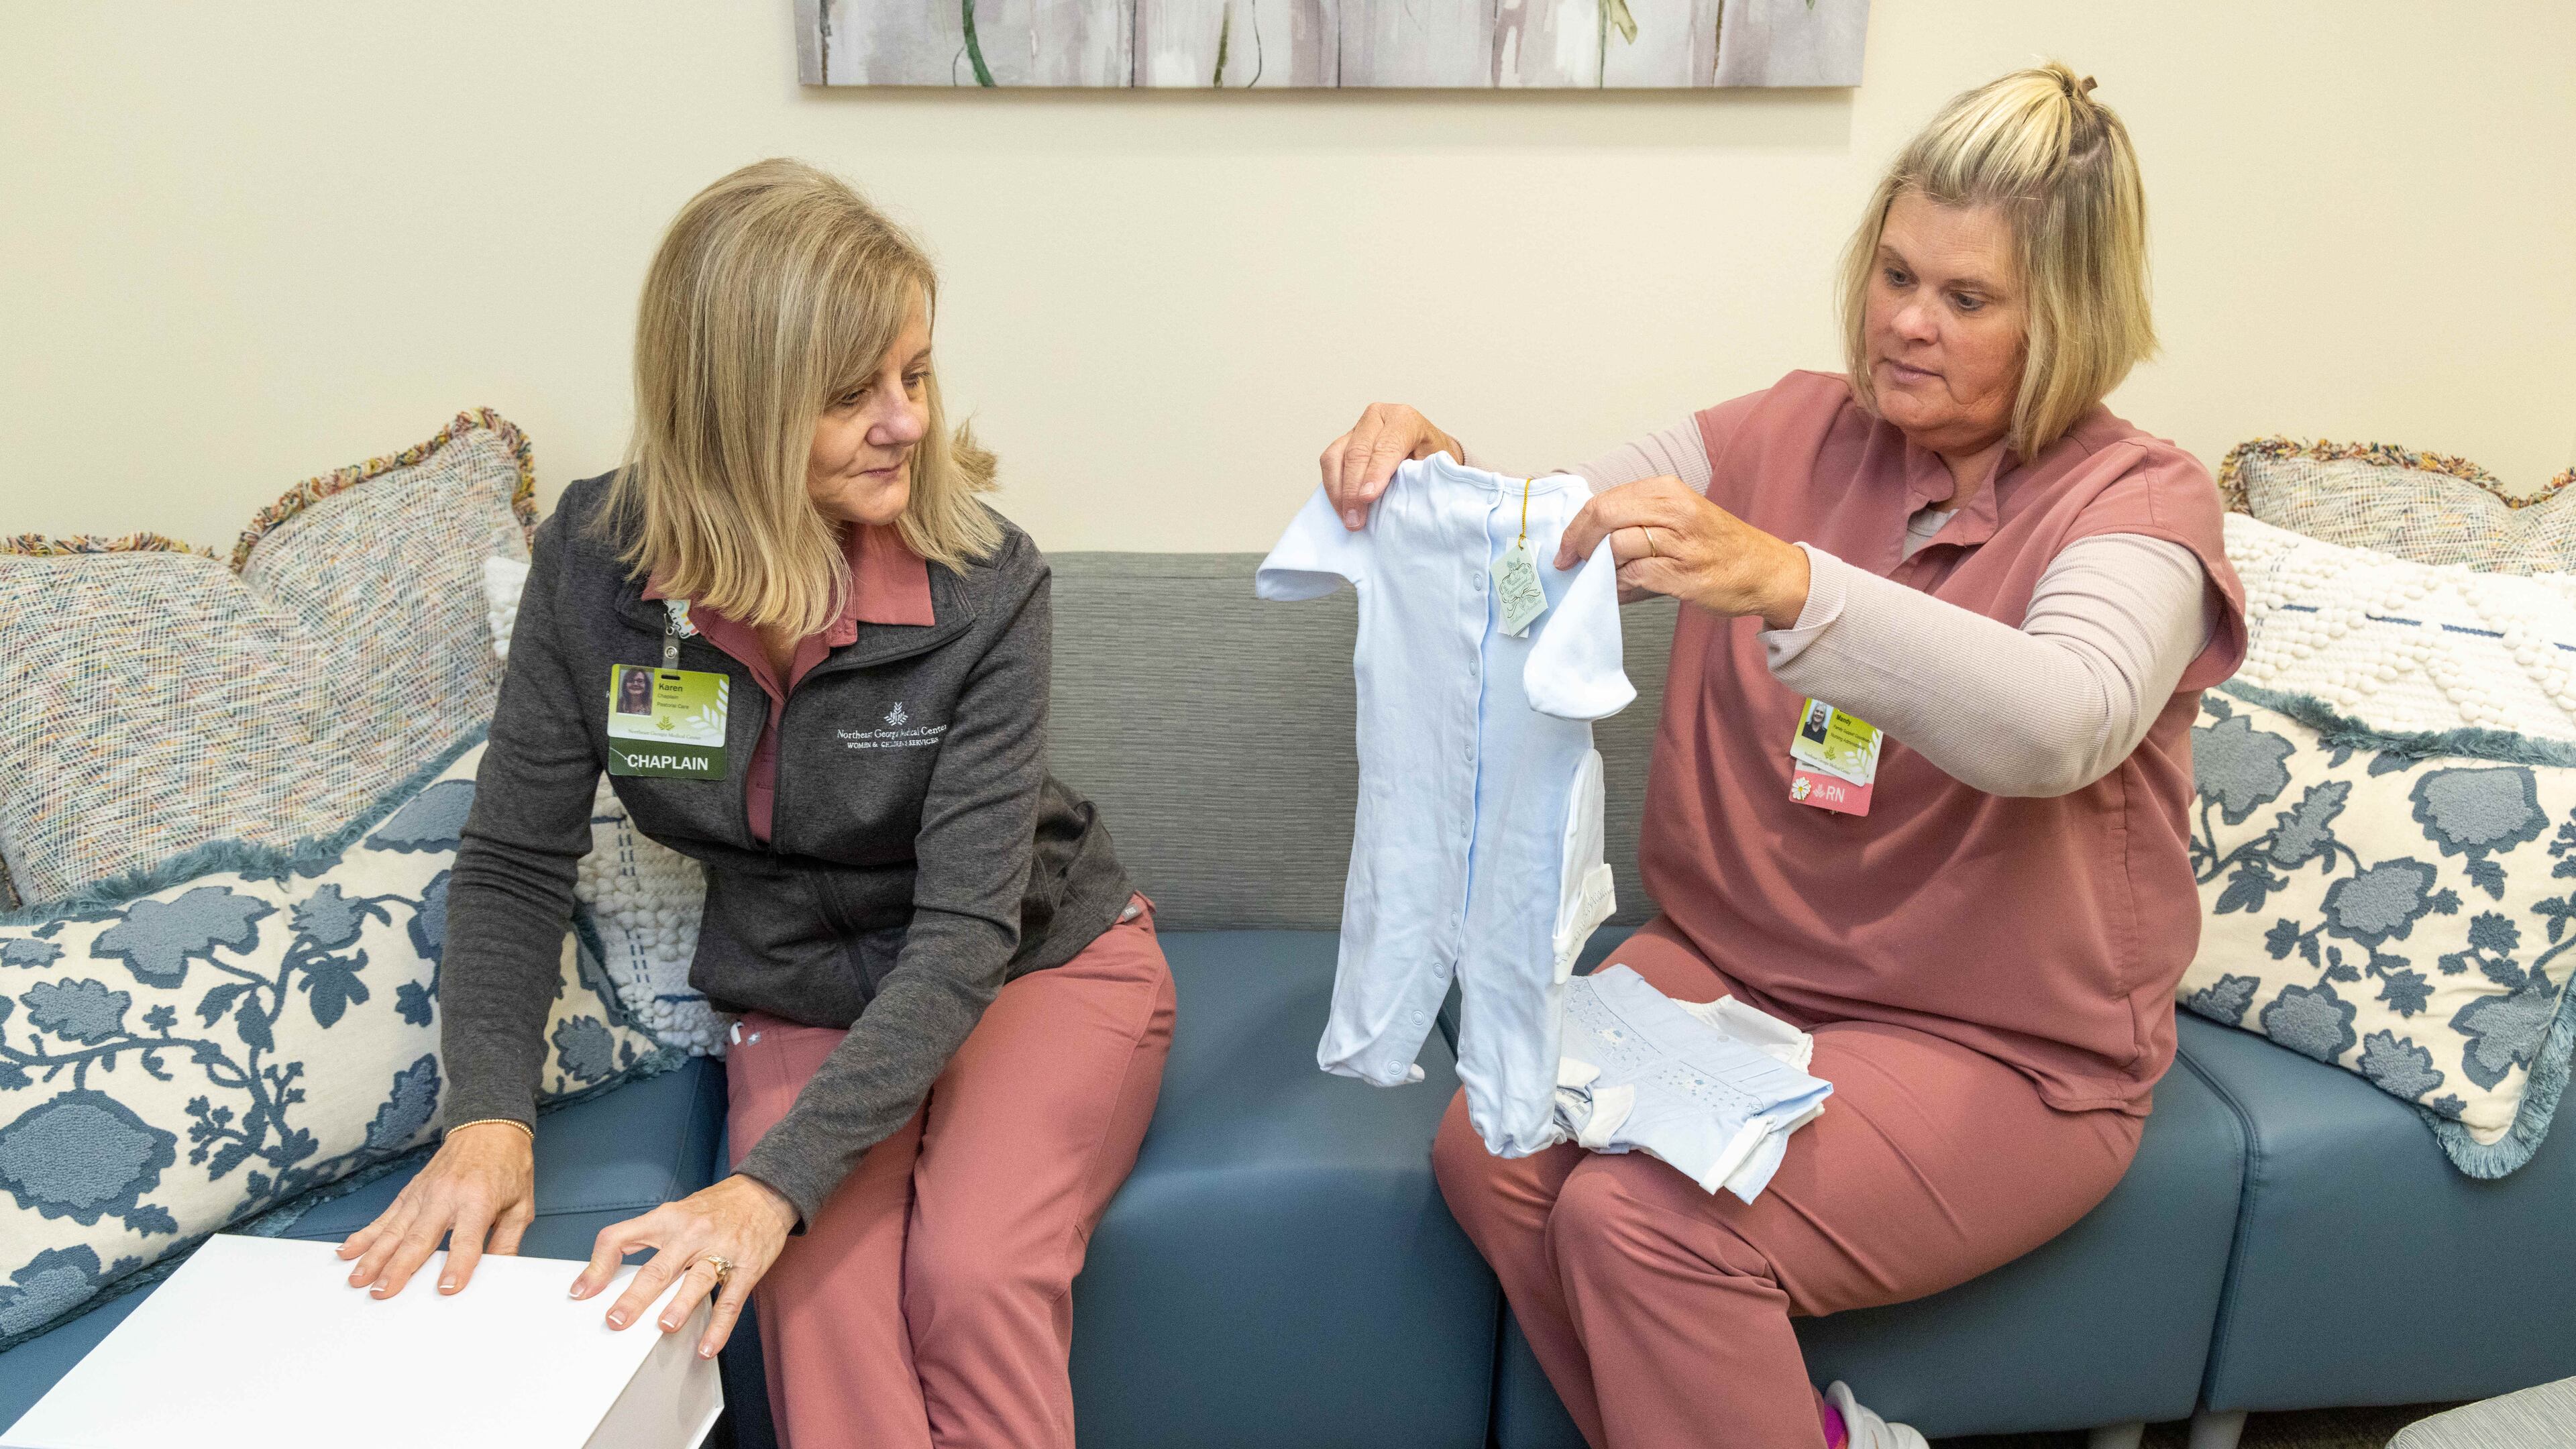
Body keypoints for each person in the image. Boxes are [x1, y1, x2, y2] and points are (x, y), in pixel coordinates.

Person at [1318, 64, 2247, 1449]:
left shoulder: (2141, 501)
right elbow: (1551, 543)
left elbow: (2064, 719)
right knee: (1492, 1149)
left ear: (2070, 319)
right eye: (1893, 275)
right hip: (1732, 973)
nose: (1906, 325)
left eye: (1966, 298)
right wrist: (1443, 483)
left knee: (1644, 1223)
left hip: (1996, 1051)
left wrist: (1788, 583)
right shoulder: (1783, 430)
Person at [337, 159, 1173, 1449]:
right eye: (854, 394)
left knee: (975, 1275)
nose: (908, 422)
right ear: (737, 403)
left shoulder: (990, 587)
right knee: (813, 1302)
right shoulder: (595, 568)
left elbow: (963, 938)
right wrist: (489, 1112)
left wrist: (769, 1184)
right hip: (798, 986)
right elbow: (514, 861)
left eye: (917, 373)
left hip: (1031, 969)